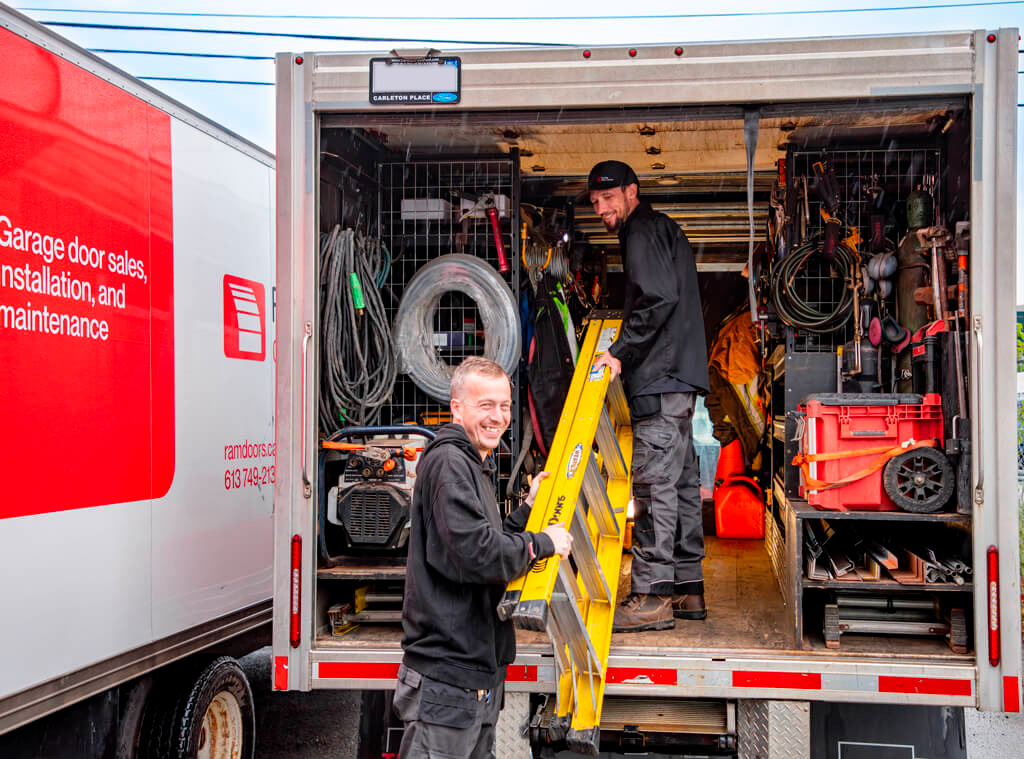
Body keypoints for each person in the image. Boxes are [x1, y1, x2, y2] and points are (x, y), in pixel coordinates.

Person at [395, 356, 573, 758]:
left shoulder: (473, 464)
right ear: (457, 408)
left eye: (505, 406)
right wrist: (542, 543)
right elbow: (477, 556)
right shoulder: (448, 464)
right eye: (485, 405)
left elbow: (481, 541)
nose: (498, 417)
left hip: (475, 679)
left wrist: (528, 511)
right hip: (448, 683)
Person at [589, 160, 710, 633]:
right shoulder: (662, 230)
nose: (602, 209)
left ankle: (653, 597)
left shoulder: (641, 231)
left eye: (608, 199)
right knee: (679, 487)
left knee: (653, 489)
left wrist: (619, 352)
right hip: (678, 382)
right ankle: (687, 589)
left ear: (631, 192)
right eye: (596, 203)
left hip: (659, 380)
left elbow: (658, 298)